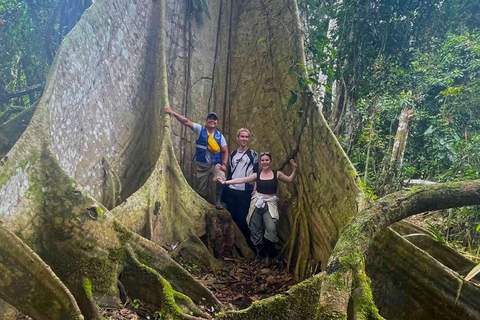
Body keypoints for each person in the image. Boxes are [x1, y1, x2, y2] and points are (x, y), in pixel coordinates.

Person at [218, 153, 297, 265]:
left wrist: (294, 169)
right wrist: (225, 182)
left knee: (271, 228)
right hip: (256, 203)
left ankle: (268, 255)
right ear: (260, 162)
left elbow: (289, 179)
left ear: (271, 161)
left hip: (270, 204)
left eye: (267, 160)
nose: (265, 162)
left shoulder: (277, 174)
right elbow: (242, 180)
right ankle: (260, 255)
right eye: (263, 160)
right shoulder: (257, 175)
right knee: (254, 228)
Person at [165, 108, 228, 209]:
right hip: (202, 165)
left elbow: (225, 151)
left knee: (221, 177)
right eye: (210, 119)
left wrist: (224, 164)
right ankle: (203, 204)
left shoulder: (220, 136)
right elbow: (186, 122)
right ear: (206, 121)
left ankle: (218, 201)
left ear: (217, 122)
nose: (212, 121)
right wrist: (173, 113)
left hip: (215, 164)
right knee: (201, 190)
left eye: (214, 119)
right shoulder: (200, 129)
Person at [224, 128, 258, 249]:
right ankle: (234, 246)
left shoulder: (253, 154)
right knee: (232, 218)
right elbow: (230, 172)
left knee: (243, 220)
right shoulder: (232, 154)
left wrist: (254, 190)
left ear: (249, 139)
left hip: (245, 192)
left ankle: (249, 247)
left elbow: (256, 174)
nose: (244, 139)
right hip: (232, 190)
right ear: (238, 138)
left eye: (246, 137)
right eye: (242, 136)